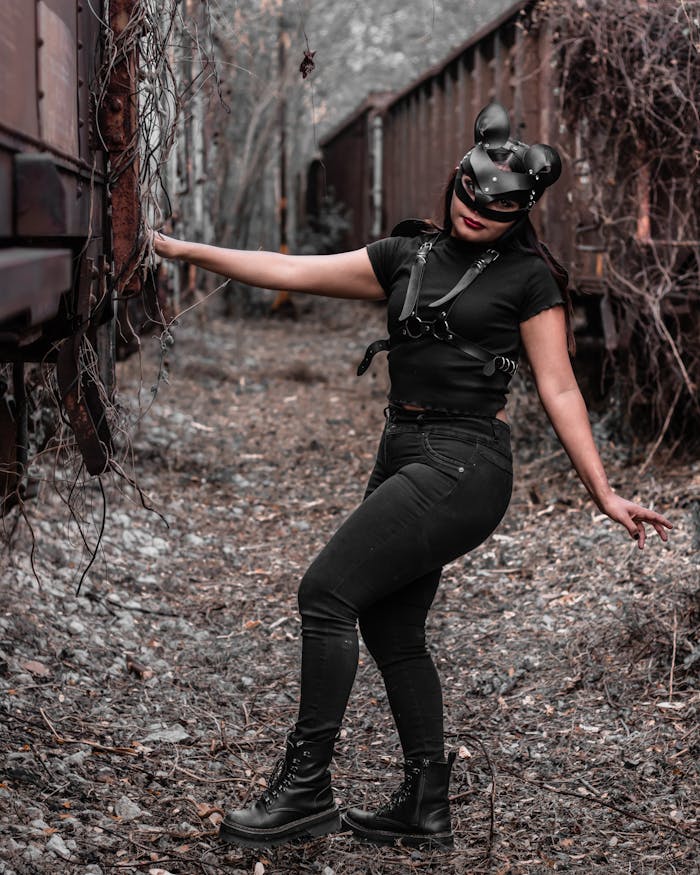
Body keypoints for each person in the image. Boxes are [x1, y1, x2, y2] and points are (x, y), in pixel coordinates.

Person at [151, 102, 672, 850]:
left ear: (521, 212)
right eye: (466, 198)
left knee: (325, 592)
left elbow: (559, 387)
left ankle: (305, 792)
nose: (473, 215)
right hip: (403, 447)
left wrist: (603, 493)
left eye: (494, 211)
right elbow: (292, 268)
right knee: (390, 622)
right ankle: (426, 804)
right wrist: (186, 251)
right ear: (454, 183)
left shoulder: (529, 279)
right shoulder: (406, 256)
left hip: (465, 463)